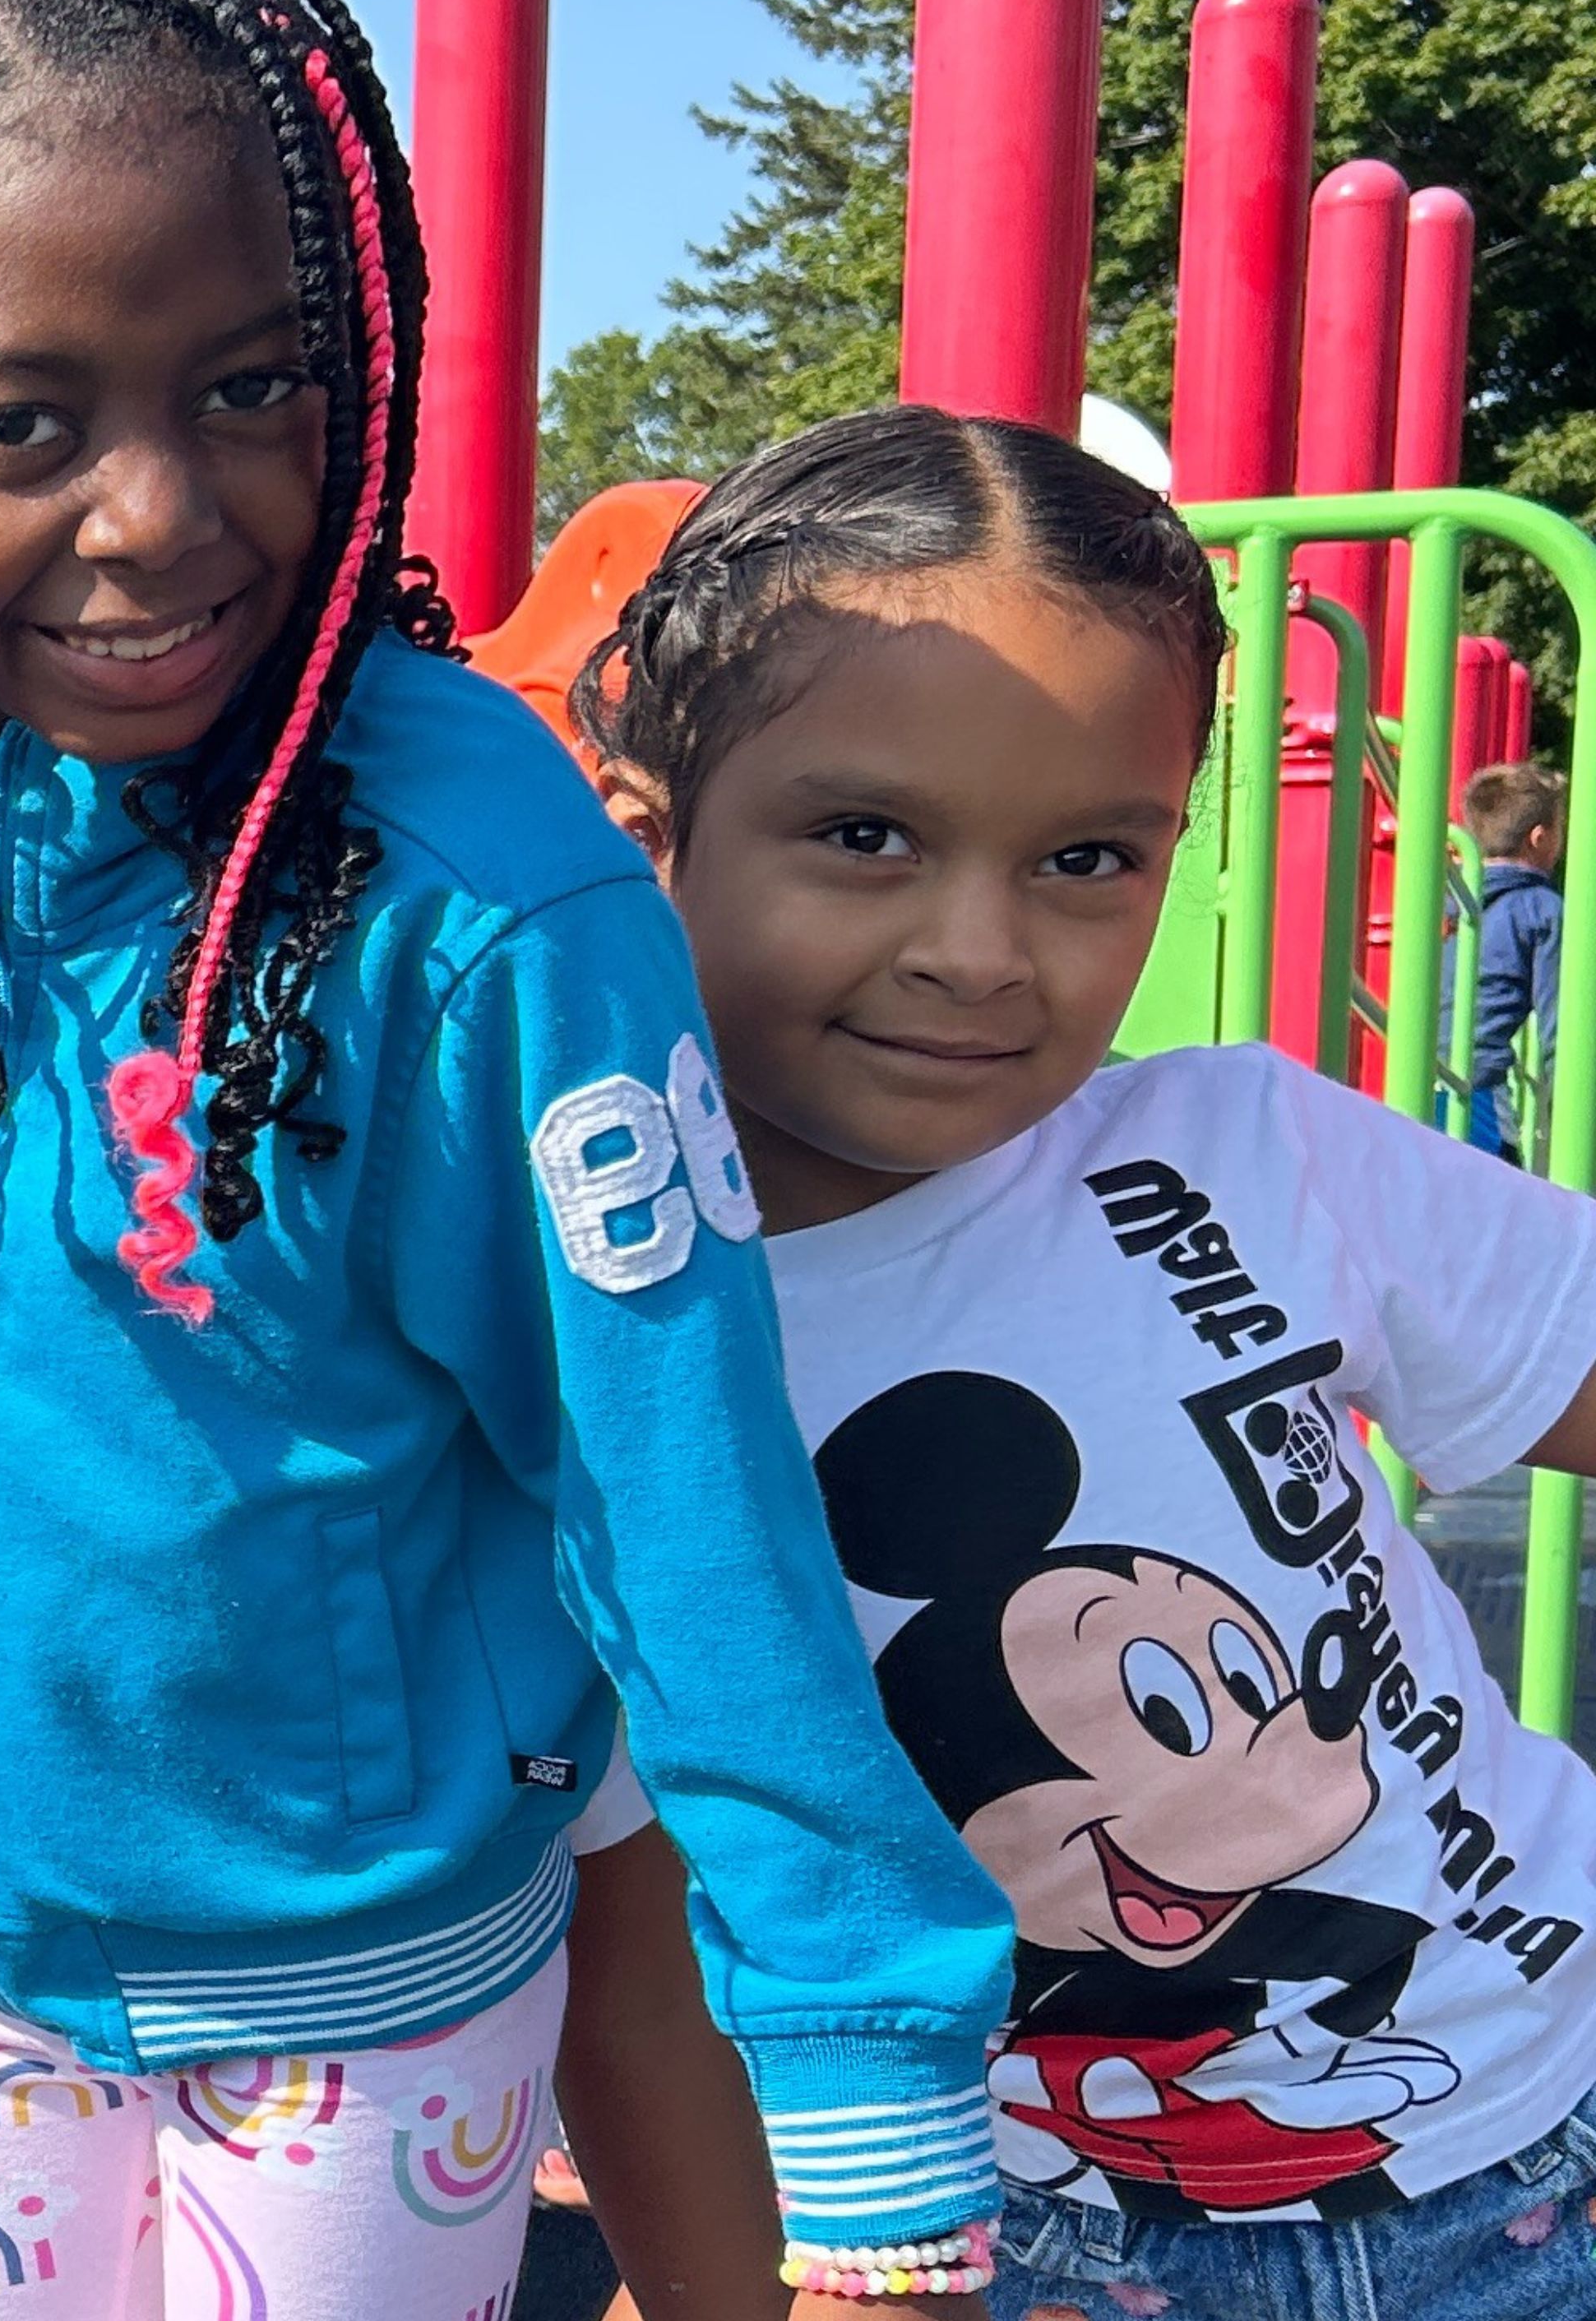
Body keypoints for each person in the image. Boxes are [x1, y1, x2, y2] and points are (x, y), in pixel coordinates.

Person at [0, 0, 1015, 2319]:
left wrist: (870, 2090)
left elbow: (680, 1499)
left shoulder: (484, 904)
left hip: (356, 2000)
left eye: (252, 388)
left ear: (356, 351)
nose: (156, 512)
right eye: (24, 422)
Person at [555, 406, 1596, 2320]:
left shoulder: (1240, 1153)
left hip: (1539, 2130)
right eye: (863, 834)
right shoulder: (580, 1340)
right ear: (644, 841)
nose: (978, 948)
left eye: (1083, 856)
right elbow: (623, 1938)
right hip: (1000, 2232)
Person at [1465, 762, 1562, 1160]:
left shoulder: (1448, 897)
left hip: (1406, 1080)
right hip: (1479, 1087)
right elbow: (1561, 1028)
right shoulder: (1542, 910)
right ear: (1538, 838)